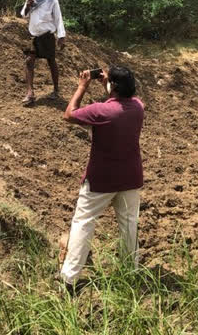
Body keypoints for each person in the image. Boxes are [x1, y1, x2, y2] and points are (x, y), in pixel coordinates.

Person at [59, 66, 144, 290]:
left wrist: (82, 87)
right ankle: (130, 270)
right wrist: (107, 84)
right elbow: (121, 100)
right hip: (130, 177)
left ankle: (70, 277)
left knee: (83, 222)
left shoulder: (101, 111)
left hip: (101, 179)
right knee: (129, 223)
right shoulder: (138, 107)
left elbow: (69, 114)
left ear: (113, 86)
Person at [20, 0, 66, 105]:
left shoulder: (52, 0)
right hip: (33, 35)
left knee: (51, 61)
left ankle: (56, 90)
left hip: (47, 35)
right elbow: (24, 15)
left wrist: (61, 36)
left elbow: (58, 18)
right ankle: (30, 93)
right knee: (29, 61)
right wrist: (28, 6)